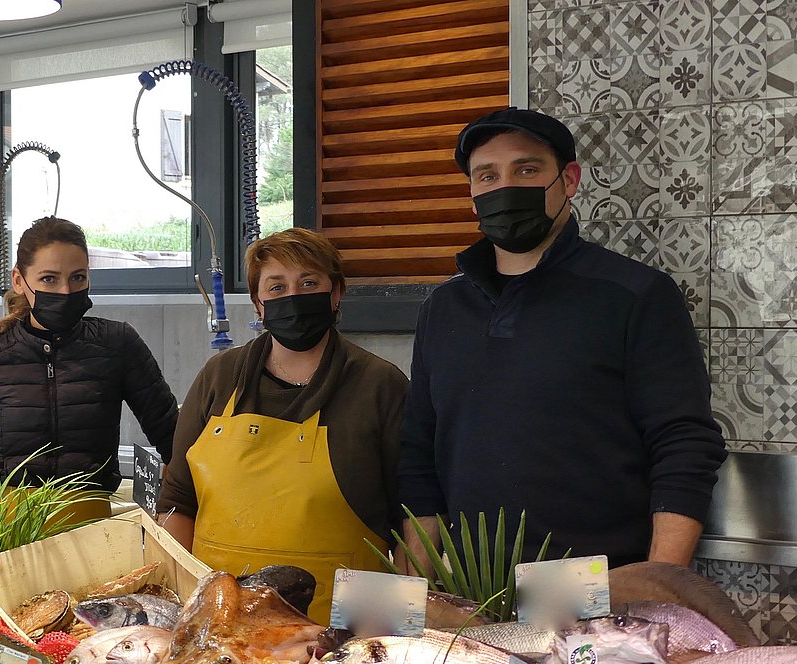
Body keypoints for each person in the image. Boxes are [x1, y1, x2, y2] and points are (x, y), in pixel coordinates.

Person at [398, 107, 727, 571]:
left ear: (568, 181)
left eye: (527, 170)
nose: (505, 187)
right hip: (471, 590)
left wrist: (659, 584)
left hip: (599, 590)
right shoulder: (442, 309)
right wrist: (415, 592)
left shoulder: (636, 295)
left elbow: (685, 444)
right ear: (472, 195)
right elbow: (419, 453)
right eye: (487, 176)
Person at [158, 228, 408, 621]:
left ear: (336, 293)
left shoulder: (379, 384)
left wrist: (395, 636)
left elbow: (409, 516)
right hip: (220, 620)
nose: (293, 298)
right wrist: (179, 607)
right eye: (277, 288)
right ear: (258, 304)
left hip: (345, 628)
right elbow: (177, 498)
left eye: (309, 283)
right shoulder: (219, 377)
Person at [0, 216, 178, 492]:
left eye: (78, 277)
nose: (65, 291)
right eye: (49, 279)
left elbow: (174, 439)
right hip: (10, 524)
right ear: (19, 280)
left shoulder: (118, 344)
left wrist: (176, 504)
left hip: (94, 521)